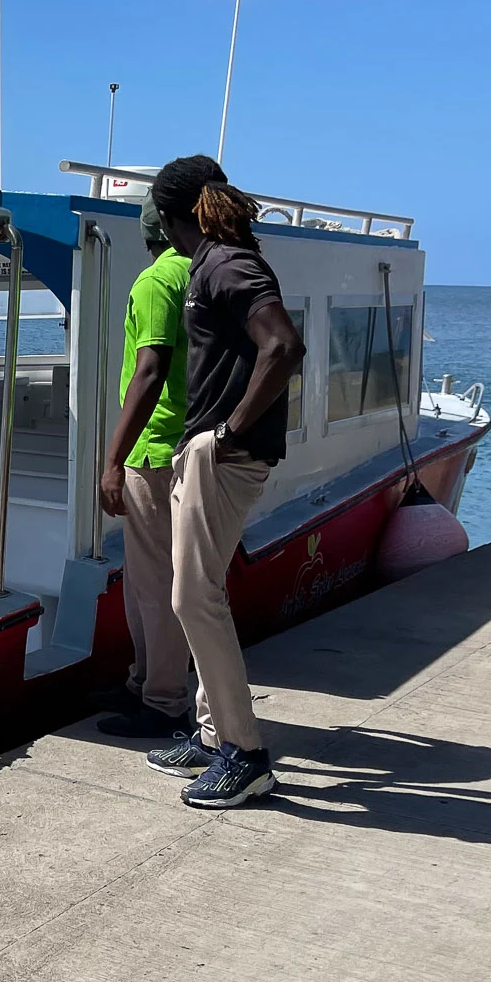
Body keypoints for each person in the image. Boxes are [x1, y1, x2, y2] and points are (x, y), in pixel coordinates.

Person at [144, 155, 304, 809]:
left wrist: (228, 433)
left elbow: (283, 345)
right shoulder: (214, 262)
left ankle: (245, 754)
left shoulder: (224, 263)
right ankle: (214, 741)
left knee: (191, 598)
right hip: (210, 452)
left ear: (166, 213)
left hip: (224, 456)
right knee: (199, 594)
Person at [95, 193, 193, 740]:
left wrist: (113, 460)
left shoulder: (156, 282)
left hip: (155, 450)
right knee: (149, 580)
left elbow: (149, 370)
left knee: (154, 584)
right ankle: (143, 683)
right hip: (184, 445)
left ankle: (163, 701)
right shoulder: (197, 273)